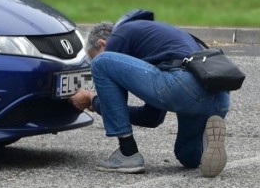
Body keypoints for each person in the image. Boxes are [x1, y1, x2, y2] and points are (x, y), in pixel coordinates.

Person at [69, 10, 230, 177]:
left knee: (102, 63)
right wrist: (98, 104)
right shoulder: (155, 38)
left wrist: (92, 99)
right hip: (219, 97)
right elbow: (151, 117)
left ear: (103, 43)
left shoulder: (119, 36)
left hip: (184, 86)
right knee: (187, 157)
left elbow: (119, 102)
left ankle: (127, 153)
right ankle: (207, 143)